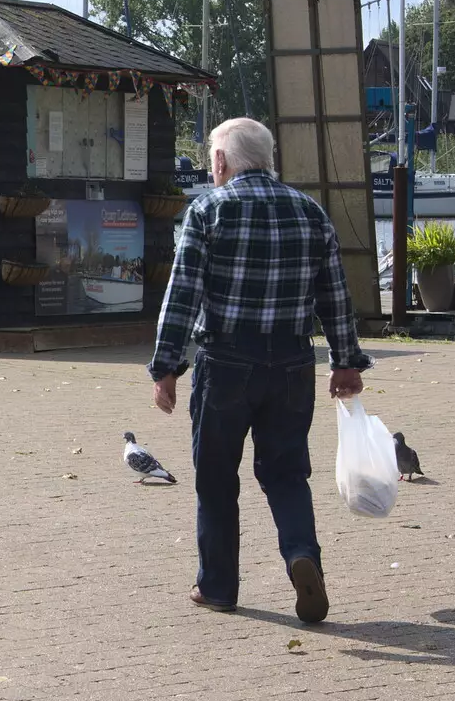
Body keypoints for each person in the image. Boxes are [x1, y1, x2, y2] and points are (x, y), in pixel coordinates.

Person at [148, 117, 371, 624]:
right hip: (292, 363)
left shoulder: (207, 210)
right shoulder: (310, 212)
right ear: (268, 159)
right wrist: (346, 361)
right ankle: (301, 554)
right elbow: (335, 296)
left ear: (221, 161)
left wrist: (166, 368)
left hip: (225, 362)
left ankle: (218, 587)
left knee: (216, 477)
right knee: (288, 474)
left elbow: (181, 295)